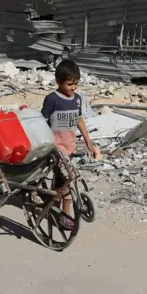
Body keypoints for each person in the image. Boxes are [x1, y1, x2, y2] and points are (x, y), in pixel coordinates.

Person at [41, 59, 101, 230]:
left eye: (76, 84)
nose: (73, 88)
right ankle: (65, 215)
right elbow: (43, 121)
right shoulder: (52, 99)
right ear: (58, 82)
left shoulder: (76, 99)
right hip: (56, 149)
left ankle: (52, 205)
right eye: (69, 84)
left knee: (61, 182)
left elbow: (79, 120)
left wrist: (88, 141)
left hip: (70, 147)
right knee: (68, 179)